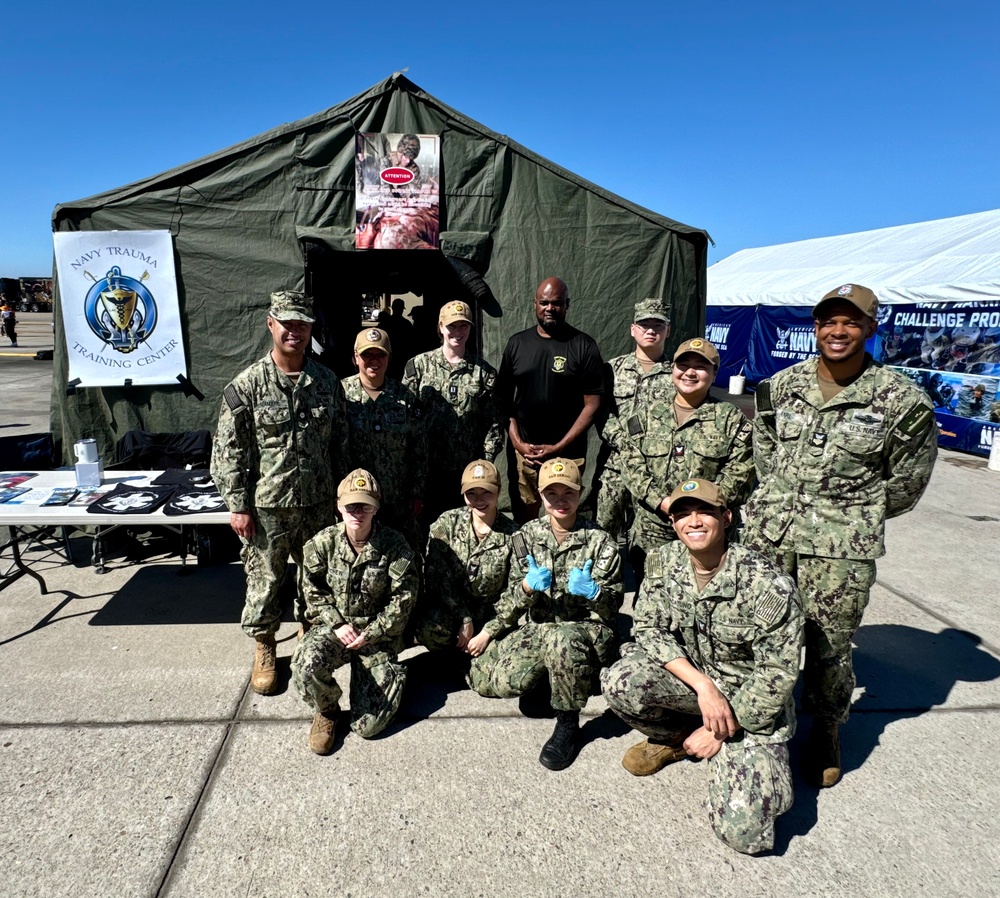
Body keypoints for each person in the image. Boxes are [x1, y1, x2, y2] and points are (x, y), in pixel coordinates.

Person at [744, 283, 938, 788]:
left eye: (851, 322)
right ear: (816, 327)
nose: (838, 331)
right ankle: (761, 715)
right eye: (828, 321)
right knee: (761, 629)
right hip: (773, 535)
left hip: (841, 548)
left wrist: (850, 515)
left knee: (830, 644)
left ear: (870, 329)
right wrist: (788, 498)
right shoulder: (779, 387)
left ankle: (827, 725)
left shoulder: (901, 401)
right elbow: (764, 453)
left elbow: (907, 483)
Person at [601, 479, 803, 855]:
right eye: (681, 514)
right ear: (674, 524)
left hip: (750, 703)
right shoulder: (664, 563)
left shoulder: (767, 584)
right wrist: (704, 687)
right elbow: (649, 627)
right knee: (620, 681)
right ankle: (677, 738)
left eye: (703, 511)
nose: (692, 521)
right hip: (699, 689)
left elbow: (778, 673)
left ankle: (726, 746)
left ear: (726, 518)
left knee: (745, 835)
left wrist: (722, 731)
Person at [211, 291, 349, 696]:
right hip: (268, 506)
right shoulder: (247, 386)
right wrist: (237, 504)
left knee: (317, 579)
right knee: (266, 581)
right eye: (287, 323)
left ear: (311, 329)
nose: (295, 331)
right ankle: (265, 645)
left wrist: (342, 498)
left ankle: (311, 638)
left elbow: (340, 444)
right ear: (271, 324)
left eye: (302, 324)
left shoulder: (326, 383)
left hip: (320, 503)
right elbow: (227, 451)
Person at [468, 458, 622, 770]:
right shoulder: (526, 537)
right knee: (490, 681)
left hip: (586, 631)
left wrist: (595, 593)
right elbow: (510, 598)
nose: (560, 500)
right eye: (552, 493)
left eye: (568, 492)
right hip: (541, 628)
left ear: (580, 494)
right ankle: (560, 680)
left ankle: (568, 723)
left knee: (561, 640)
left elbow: (612, 608)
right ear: (541, 495)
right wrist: (525, 587)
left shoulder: (600, 541)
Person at [292, 469, 418, 754]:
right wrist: (336, 624)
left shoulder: (395, 546)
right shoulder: (322, 543)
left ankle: (390, 677)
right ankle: (328, 711)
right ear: (338, 507)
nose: (357, 512)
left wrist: (372, 633)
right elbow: (311, 589)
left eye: (365, 505)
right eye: (350, 505)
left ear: (376, 508)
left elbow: (403, 599)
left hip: (376, 634)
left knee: (369, 727)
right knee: (306, 664)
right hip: (337, 629)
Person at [613, 337, 754, 580]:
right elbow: (631, 464)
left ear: (714, 373)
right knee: (652, 596)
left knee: (707, 592)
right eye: (683, 365)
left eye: (700, 367)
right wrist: (662, 501)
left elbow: (740, 471)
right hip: (654, 528)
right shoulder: (645, 414)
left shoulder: (730, 418)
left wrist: (701, 509)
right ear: (673, 370)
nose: (690, 372)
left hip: (706, 529)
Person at [496, 277, 604, 523]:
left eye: (556, 303)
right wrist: (518, 442)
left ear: (567, 305)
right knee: (526, 522)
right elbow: (502, 399)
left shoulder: (583, 345)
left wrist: (560, 446)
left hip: (568, 454)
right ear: (534, 304)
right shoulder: (517, 343)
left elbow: (593, 404)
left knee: (563, 522)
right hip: (526, 455)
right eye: (544, 302)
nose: (550, 309)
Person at [403, 301, 504, 522]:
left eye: (463, 326)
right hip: (426, 472)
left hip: (466, 473)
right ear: (440, 327)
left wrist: (482, 465)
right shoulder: (418, 367)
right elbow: (405, 420)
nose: (457, 332)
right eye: (452, 326)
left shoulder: (483, 373)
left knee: (464, 531)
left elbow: (494, 427)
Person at [408, 460, 518, 656]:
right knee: (428, 626)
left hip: (493, 616)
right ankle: (454, 656)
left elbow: (516, 592)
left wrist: (488, 631)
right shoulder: (447, 524)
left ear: (499, 491)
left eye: (487, 493)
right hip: (454, 610)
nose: (479, 500)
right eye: (471, 494)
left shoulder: (515, 536)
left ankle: (476, 656)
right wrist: (464, 616)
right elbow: (437, 579)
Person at [595, 298, 672, 541]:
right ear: (632, 329)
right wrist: (623, 442)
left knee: (650, 539)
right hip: (615, 466)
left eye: (658, 325)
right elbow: (601, 411)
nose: (651, 330)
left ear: (667, 330)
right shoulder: (613, 369)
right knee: (603, 532)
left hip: (655, 471)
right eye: (644, 324)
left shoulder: (676, 373)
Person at [343, 326, 427, 546]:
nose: (373, 360)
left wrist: (416, 492)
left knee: (404, 556)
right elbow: (334, 447)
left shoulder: (404, 398)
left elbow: (418, 448)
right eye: (366, 354)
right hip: (357, 502)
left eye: (379, 354)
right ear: (355, 357)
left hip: (398, 499)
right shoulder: (340, 395)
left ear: (388, 358)